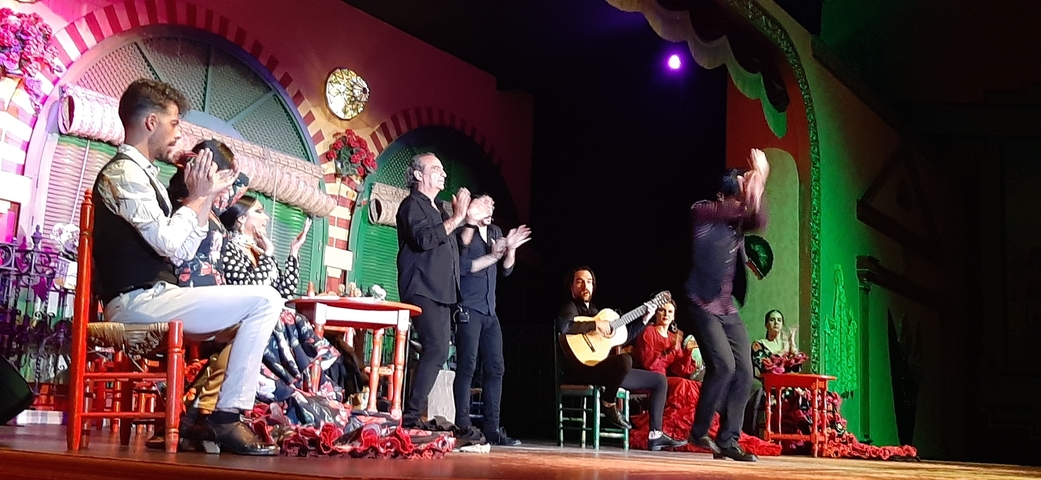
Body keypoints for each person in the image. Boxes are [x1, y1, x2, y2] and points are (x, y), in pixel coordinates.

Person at [92, 78, 283, 455]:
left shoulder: (144, 175)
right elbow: (167, 242)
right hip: (136, 303)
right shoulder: (122, 174)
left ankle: (204, 414)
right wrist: (197, 196)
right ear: (151, 123)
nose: (178, 135)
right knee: (265, 301)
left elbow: (181, 251)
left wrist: (205, 197)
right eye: (175, 123)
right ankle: (225, 419)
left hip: (156, 296)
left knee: (259, 309)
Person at [679, 148, 770, 462]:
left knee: (745, 371)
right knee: (724, 366)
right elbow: (736, 212)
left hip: (726, 307)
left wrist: (757, 186)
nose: (741, 204)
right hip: (700, 302)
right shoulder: (703, 210)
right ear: (722, 194)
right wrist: (755, 184)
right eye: (737, 192)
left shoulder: (740, 221)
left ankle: (729, 440)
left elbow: (757, 218)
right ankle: (699, 430)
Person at [396, 152, 488, 428]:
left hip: (442, 292)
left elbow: (454, 249)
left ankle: (413, 414)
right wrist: (459, 216)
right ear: (418, 175)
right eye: (436, 169)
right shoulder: (411, 205)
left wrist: (468, 219)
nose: (443, 174)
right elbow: (425, 239)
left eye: (443, 169)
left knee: (437, 350)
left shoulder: (438, 208)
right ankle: (410, 416)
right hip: (422, 287)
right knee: (436, 348)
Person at [556, 266, 686, 451]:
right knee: (625, 360)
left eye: (590, 282)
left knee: (659, 380)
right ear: (571, 287)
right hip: (581, 370)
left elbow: (623, 336)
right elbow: (565, 327)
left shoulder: (598, 312)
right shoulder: (570, 307)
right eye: (580, 281)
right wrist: (595, 325)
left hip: (604, 371)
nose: (586, 286)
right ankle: (608, 402)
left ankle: (655, 434)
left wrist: (645, 318)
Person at [630, 301, 780, 457]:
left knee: (699, 383)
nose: (666, 314)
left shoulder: (675, 336)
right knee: (690, 383)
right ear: (656, 313)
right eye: (662, 310)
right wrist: (670, 350)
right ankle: (699, 431)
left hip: (672, 377)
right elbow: (650, 363)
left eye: (669, 311)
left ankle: (719, 434)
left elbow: (681, 369)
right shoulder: (649, 332)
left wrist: (686, 352)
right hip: (655, 376)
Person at [453, 195, 531, 446]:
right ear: (474, 206)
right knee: (467, 366)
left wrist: (511, 249)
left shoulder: (496, 231)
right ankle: (463, 425)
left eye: (492, 204)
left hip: (489, 311)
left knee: (496, 368)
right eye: (485, 203)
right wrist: (471, 221)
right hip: (468, 308)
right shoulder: (466, 230)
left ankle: (492, 429)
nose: (491, 206)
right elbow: (463, 261)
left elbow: (507, 270)